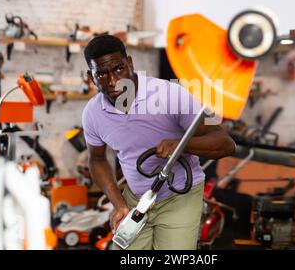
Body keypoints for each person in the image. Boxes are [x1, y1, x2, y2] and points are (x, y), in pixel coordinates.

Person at [82, 34, 235, 250]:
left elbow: (226, 143)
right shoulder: (92, 113)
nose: (114, 82)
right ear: (91, 77)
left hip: (179, 197)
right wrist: (118, 204)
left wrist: (181, 145)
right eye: (102, 75)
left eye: (119, 69)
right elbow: (97, 160)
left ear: (130, 63)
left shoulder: (172, 93)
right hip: (135, 199)